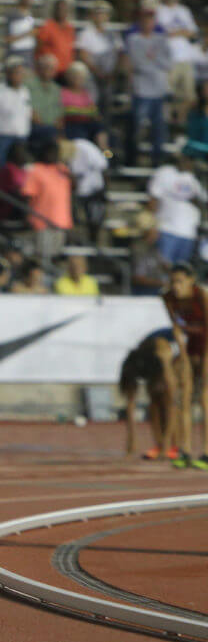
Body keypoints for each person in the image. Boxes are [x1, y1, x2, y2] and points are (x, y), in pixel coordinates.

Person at [163, 263, 208, 469]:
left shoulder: (202, 296)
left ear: (191, 281)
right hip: (191, 346)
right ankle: (186, 450)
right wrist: (183, 357)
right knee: (185, 398)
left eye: (180, 281)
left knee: (204, 398)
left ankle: (206, 452)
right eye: (173, 282)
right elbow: (176, 328)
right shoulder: (168, 298)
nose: (175, 286)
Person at [120, 332, 185, 460]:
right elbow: (130, 404)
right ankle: (160, 444)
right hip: (153, 356)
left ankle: (172, 446)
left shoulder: (163, 350)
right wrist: (130, 440)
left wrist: (166, 445)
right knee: (155, 404)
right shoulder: (131, 366)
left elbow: (172, 404)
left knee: (169, 403)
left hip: (176, 352)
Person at [124, 0, 172, 167]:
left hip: (159, 90)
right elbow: (137, 63)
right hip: (141, 90)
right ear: (140, 21)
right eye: (145, 19)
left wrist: (151, 61)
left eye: (151, 19)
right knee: (136, 127)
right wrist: (154, 62)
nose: (148, 23)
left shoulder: (161, 39)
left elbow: (168, 63)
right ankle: (132, 159)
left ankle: (157, 161)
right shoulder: (134, 39)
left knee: (159, 128)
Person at [148, 152, 206, 264]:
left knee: (180, 273)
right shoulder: (165, 172)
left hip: (189, 234)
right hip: (166, 230)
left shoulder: (196, 178)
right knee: (163, 270)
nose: (188, 162)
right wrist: (152, 225)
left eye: (192, 159)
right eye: (186, 158)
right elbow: (153, 200)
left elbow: (202, 203)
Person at [35, 0, 76, 77]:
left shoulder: (69, 28)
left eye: (64, 9)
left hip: (66, 71)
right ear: (55, 11)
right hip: (51, 72)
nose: (61, 12)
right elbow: (38, 47)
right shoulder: (47, 26)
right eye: (59, 9)